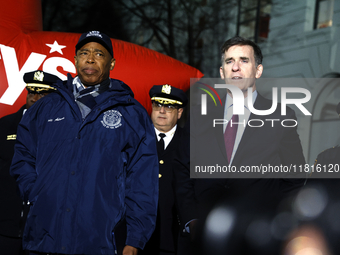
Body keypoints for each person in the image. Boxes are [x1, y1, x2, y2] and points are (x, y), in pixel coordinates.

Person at [10, 31, 159, 255]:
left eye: (99, 53)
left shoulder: (132, 114)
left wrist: (135, 238)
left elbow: (143, 181)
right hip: (44, 238)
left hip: (100, 242)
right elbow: (23, 156)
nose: (90, 58)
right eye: (84, 53)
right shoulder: (46, 107)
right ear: (75, 60)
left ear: (112, 63)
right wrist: (37, 192)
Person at [175, 36, 306, 254]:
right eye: (229, 61)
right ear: (222, 72)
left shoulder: (281, 115)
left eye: (244, 60)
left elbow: (294, 175)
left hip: (254, 239)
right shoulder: (201, 115)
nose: (235, 67)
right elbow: (182, 169)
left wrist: (268, 217)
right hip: (201, 238)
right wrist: (191, 218)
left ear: (258, 70)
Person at [0, 70, 60, 255]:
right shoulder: (3, 126)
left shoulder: (63, 133)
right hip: (4, 230)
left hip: (43, 231)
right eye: (32, 91)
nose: (35, 97)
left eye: (43, 93)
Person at [140, 85, 188, 255]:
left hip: (176, 238)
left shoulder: (193, 143)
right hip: (139, 239)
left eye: (169, 107)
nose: (162, 111)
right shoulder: (136, 139)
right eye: (157, 105)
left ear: (179, 112)